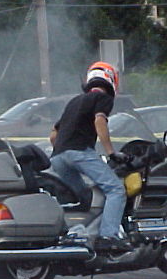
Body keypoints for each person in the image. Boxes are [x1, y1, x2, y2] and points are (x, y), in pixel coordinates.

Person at [49, 61, 131, 252]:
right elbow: (100, 121)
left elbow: (53, 134)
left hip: (58, 157)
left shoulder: (75, 101)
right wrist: (111, 152)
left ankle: (78, 234)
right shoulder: (102, 98)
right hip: (79, 152)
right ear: (111, 79)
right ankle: (107, 237)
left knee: (85, 196)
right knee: (116, 190)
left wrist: (64, 148)